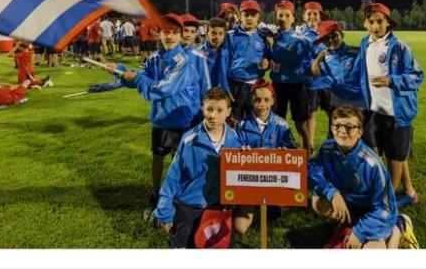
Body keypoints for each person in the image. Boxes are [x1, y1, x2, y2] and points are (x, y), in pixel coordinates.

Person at [107, 14, 204, 222]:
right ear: (158, 33)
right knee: (157, 158)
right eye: (165, 31)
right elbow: (141, 78)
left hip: (181, 119)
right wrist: (119, 71)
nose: (169, 36)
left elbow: (165, 88)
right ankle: (156, 193)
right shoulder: (153, 58)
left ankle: (178, 196)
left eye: (174, 32)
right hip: (160, 119)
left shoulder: (183, 61)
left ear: (180, 35)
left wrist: (138, 78)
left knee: (180, 161)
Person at [308, 105, 417, 249]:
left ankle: (399, 226)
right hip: (349, 205)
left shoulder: (372, 165)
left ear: (360, 132)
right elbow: (312, 170)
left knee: (374, 250)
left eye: (349, 127)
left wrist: (360, 233)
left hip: (373, 211)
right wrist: (332, 193)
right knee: (318, 202)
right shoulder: (327, 149)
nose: (342, 131)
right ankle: (347, 224)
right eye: (337, 126)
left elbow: (385, 208)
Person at [351, 2, 424, 207]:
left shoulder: (399, 47)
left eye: (380, 21)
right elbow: (357, 72)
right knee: (380, 156)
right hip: (373, 113)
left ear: (388, 23)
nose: (376, 26)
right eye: (371, 22)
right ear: (365, 24)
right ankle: (408, 192)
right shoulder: (365, 43)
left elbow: (417, 76)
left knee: (395, 159)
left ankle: (387, 201)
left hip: (397, 115)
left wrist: (392, 80)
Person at [154, 87, 243, 248]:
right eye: (209, 109)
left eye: (219, 110)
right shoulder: (189, 140)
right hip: (188, 208)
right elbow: (173, 178)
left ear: (228, 112)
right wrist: (165, 212)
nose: (213, 115)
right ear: (203, 107)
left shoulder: (235, 141)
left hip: (218, 207)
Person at [232, 80, 297, 235]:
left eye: (266, 100)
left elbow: (294, 152)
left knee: (290, 199)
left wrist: (286, 152)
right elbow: (233, 152)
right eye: (257, 100)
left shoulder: (282, 125)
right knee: (240, 227)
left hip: (273, 180)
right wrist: (241, 151)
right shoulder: (242, 126)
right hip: (250, 182)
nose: (262, 104)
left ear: (273, 100)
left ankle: (273, 208)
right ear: (251, 100)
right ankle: (264, 210)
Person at [268, 0, 315, 151]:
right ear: (276, 18)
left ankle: (307, 157)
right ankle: (277, 154)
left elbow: (316, 56)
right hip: (277, 85)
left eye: (287, 15)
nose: (283, 18)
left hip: (297, 86)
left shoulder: (302, 40)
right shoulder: (271, 38)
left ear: (293, 18)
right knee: (276, 122)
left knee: (300, 123)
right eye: (280, 15)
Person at [309, 20, 365, 130]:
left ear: (342, 35)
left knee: (360, 137)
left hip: (358, 102)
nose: (331, 40)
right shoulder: (323, 59)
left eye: (334, 36)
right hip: (336, 103)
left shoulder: (357, 53)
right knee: (335, 135)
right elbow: (313, 76)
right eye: (326, 38)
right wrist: (316, 61)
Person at [227, 0, 271, 122]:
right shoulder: (230, 36)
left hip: (254, 85)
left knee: (252, 120)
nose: (250, 18)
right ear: (240, 16)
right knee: (233, 120)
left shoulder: (263, 37)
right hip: (234, 85)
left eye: (253, 15)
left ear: (258, 17)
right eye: (246, 14)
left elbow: (268, 58)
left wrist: (266, 62)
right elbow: (223, 63)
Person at [301, 1, 334, 147]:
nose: (313, 17)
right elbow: (302, 59)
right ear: (304, 17)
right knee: (311, 115)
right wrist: (313, 63)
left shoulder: (327, 33)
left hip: (327, 82)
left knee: (333, 114)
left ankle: (333, 142)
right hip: (312, 82)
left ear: (320, 17)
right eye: (309, 14)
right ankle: (310, 144)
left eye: (315, 14)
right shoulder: (301, 36)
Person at [200, 17, 231, 93]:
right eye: (214, 33)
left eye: (220, 34)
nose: (217, 37)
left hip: (223, 95)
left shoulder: (227, 52)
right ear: (207, 34)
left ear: (224, 36)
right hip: (206, 96)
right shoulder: (199, 54)